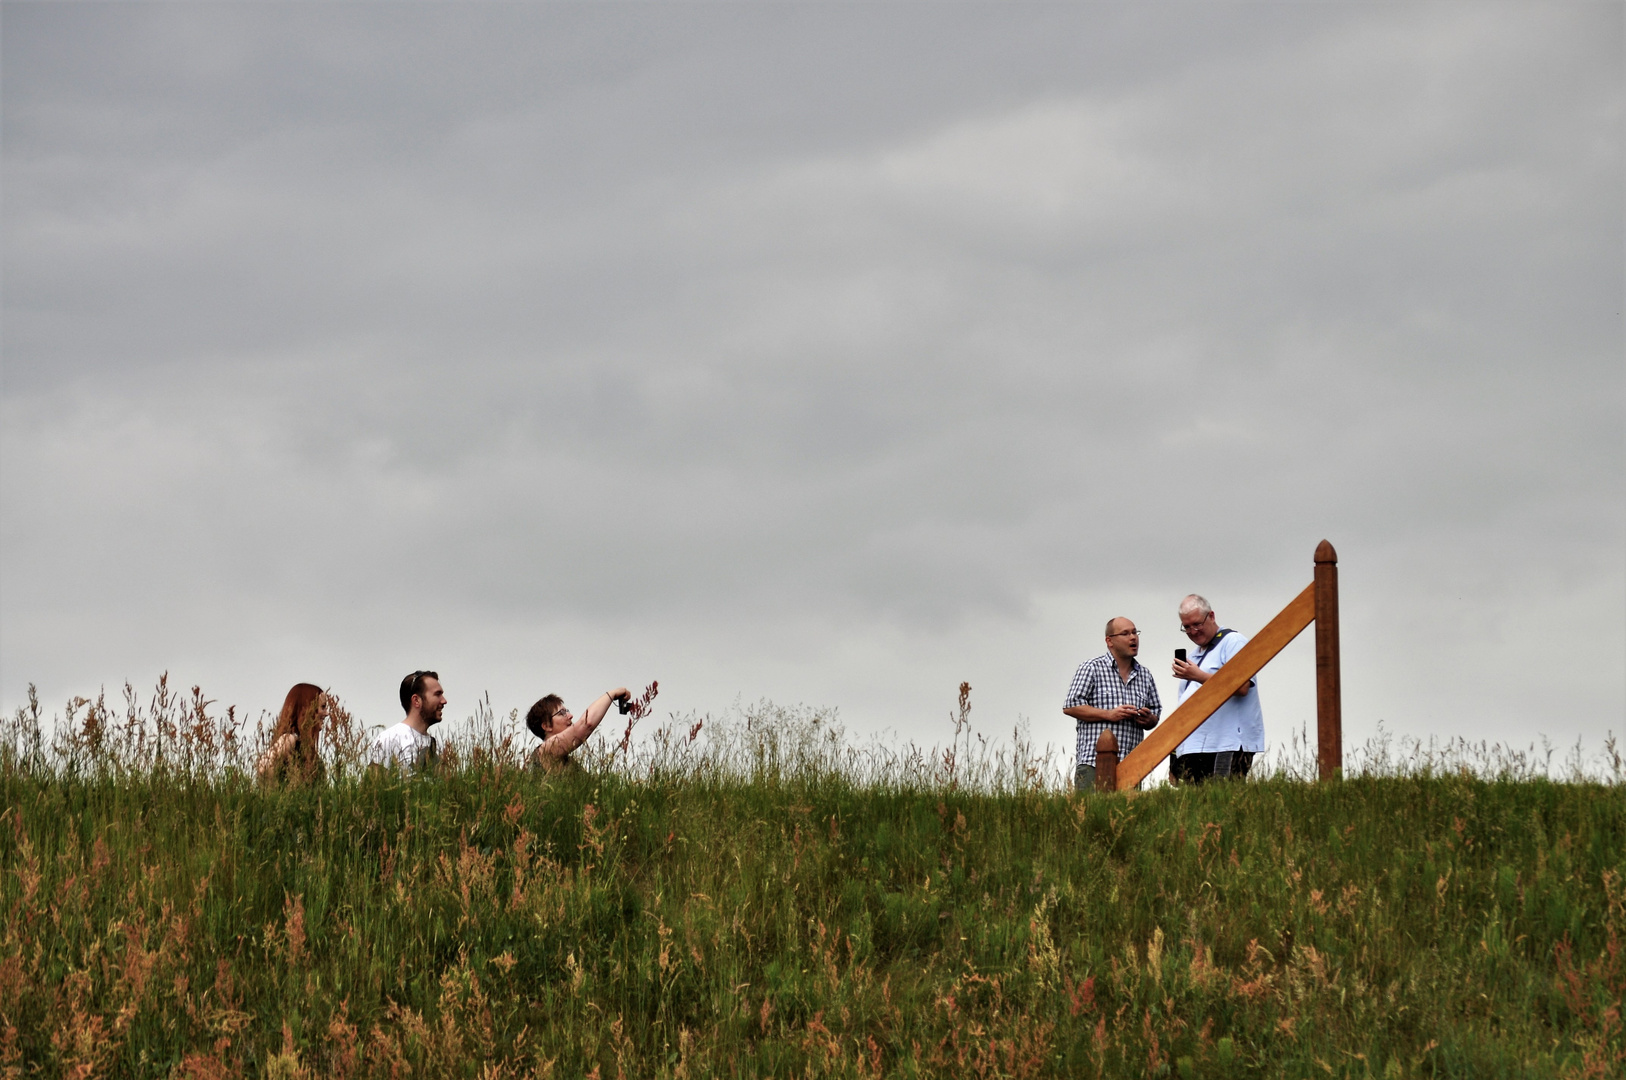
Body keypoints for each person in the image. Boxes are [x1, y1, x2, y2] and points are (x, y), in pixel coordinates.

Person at [1169, 594, 1263, 783]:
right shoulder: (1195, 655)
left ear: (1211, 616)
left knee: (1222, 800)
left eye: (1197, 624)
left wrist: (1198, 676)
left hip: (1226, 743)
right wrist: (1174, 752)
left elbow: (1242, 686)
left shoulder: (1233, 642)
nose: (1193, 631)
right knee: (1196, 808)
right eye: (1186, 627)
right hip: (1195, 747)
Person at [1063, 617, 1161, 791]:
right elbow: (1071, 706)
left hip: (1132, 766)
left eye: (1134, 632)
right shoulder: (1092, 667)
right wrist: (1109, 714)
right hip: (1093, 764)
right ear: (1110, 641)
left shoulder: (1145, 675)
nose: (1133, 638)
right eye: (1125, 633)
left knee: (1128, 818)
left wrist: (1148, 719)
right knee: (1091, 816)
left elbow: (1155, 714)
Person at [526, 687, 630, 772]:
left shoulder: (571, 763)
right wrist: (612, 694)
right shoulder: (546, 751)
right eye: (562, 713)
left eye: (567, 711)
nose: (570, 716)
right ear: (547, 726)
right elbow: (586, 724)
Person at [369, 670, 446, 770]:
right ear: (416, 700)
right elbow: (373, 783)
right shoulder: (389, 739)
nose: (444, 701)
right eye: (437, 694)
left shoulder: (436, 745)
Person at [255, 682, 327, 782]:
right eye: (323, 707)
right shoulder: (290, 739)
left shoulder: (306, 747)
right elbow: (263, 768)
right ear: (307, 708)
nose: (326, 713)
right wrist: (278, 789)